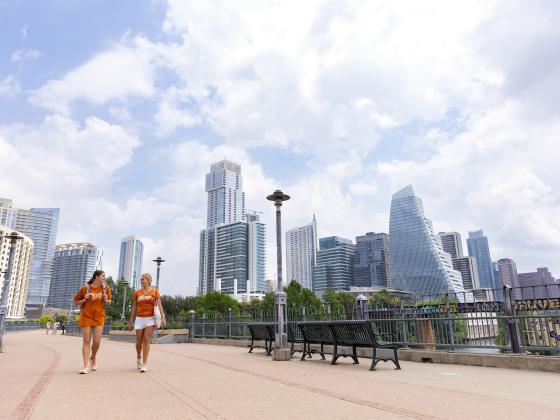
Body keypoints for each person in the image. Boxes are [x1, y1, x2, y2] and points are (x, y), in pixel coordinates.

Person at [73, 270, 111, 374]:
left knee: (97, 341)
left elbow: (109, 302)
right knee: (86, 341)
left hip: (99, 317)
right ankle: (85, 365)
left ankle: (93, 357)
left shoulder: (105, 289)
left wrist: (106, 299)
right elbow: (75, 302)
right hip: (86, 316)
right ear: (96, 277)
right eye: (103, 276)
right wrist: (85, 299)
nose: (104, 278)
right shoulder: (85, 288)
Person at [128, 273, 166, 373]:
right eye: (141, 279)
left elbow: (159, 305)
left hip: (151, 318)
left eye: (143, 279)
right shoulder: (137, 293)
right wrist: (131, 321)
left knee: (146, 339)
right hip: (139, 318)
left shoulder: (154, 291)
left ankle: (144, 363)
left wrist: (163, 317)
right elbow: (134, 307)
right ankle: (138, 356)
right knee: (138, 343)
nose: (141, 281)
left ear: (149, 280)